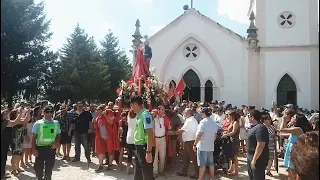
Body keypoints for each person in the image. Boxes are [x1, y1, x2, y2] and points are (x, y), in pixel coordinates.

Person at [32, 105, 61, 180]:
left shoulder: (56, 123)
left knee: (49, 167)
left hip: (51, 148)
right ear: (43, 113)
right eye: (47, 112)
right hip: (40, 148)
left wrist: (56, 142)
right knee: (38, 167)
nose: (49, 114)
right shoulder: (38, 123)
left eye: (51, 112)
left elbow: (58, 135)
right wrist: (33, 149)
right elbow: (33, 138)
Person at [280, 113, 312, 179]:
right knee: (291, 172)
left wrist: (283, 119)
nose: (291, 118)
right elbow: (283, 133)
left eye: (293, 117)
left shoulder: (297, 129)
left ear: (296, 120)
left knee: (292, 173)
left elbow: (282, 129)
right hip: (292, 151)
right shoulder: (296, 129)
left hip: (294, 152)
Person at [169, 108, 198, 179]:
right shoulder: (192, 120)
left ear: (188, 114)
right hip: (188, 141)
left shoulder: (190, 121)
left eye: (185, 113)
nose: (184, 114)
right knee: (186, 158)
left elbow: (181, 131)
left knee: (194, 159)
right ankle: (184, 172)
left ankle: (198, 174)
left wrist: (172, 133)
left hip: (190, 142)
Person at [130, 96, 155, 180]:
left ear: (136, 104)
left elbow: (149, 133)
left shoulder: (145, 115)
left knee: (147, 174)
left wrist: (149, 152)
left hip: (144, 147)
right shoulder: (140, 115)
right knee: (138, 174)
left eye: (132, 105)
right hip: (138, 147)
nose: (131, 107)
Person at [193, 107, 218, 180]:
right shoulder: (213, 123)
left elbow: (199, 134)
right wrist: (211, 142)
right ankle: (212, 178)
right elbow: (215, 135)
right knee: (211, 163)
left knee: (202, 164)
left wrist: (195, 144)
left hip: (202, 146)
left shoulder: (203, 122)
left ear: (204, 113)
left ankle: (200, 178)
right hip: (210, 146)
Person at [246, 109, 269, 180]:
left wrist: (254, 160)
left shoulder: (260, 128)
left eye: (248, 116)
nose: (247, 118)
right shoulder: (254, 127)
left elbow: (260, 146)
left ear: (252, 117)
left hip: (258, 159)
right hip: (251, 157)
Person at [1, 109, 24, 179]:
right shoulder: (5, 122)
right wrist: (20, 114)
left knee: (3, 158)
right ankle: (2, 175)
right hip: (3, 143)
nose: (7, 115)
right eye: (5, 114)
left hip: (4, 143)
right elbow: (14, 122)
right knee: (2, 159)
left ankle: (2, 173)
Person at [222, 111, 240, 176]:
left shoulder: (235, 122)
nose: (228, 116)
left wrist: (226, 134)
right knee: (232, 156)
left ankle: (236, 170)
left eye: (229, 115)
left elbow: (233, 132)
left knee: (235, 156)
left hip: (235, 141)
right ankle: (231, 168)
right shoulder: (232, 122)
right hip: (231, 140)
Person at [93, 105, 108, 173]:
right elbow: (96, 128)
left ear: (102, 110)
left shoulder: (106, 117)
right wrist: (93, 122)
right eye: (97, 110)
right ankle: (100, 165)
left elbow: (111, 123)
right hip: (100, 138)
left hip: (107, 138)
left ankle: (107, 164)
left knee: (109, 151)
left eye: (98, 110)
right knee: (100, 152)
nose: (97, 111)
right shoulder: (97, 118)